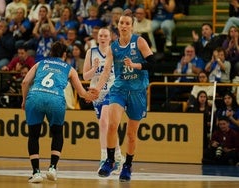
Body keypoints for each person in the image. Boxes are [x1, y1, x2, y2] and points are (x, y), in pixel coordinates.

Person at [92, 9, 155, 182]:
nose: (124, 25)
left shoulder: (139, 42)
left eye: (127, 23)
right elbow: (106, 72)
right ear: (117, 25)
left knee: (131, 134)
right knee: (112, 125)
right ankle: (110, 160)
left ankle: (127, 165)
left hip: (137, 91)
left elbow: (153, 63)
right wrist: (97, 89)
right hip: (119, 89)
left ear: (132, 27)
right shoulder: (113, 47)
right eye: (121, 23)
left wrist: (136, 65)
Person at [21, 41, 97, 183]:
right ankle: (52, 168)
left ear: (51, 53)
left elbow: (25, 82)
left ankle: (36, 172)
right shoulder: (69, 68)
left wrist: (25, 100)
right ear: (64, 55)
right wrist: (92, 96)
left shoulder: (40, 64)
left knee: (33, 135)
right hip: (55, 99)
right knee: (57, 133)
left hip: (35, 96)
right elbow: (81, 93)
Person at [83, 27, 124, 173]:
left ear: (110, 37)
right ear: (97, 37)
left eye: (105, 35)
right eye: (100, 35)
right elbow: (85, 77)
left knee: (104, 122)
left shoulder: (115, 51)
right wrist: (94, 68)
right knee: (108, 126)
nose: (102, 37)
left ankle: (104, 157)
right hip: (96, 93)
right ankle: (118, 157)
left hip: (112, 91)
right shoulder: (91, 52)